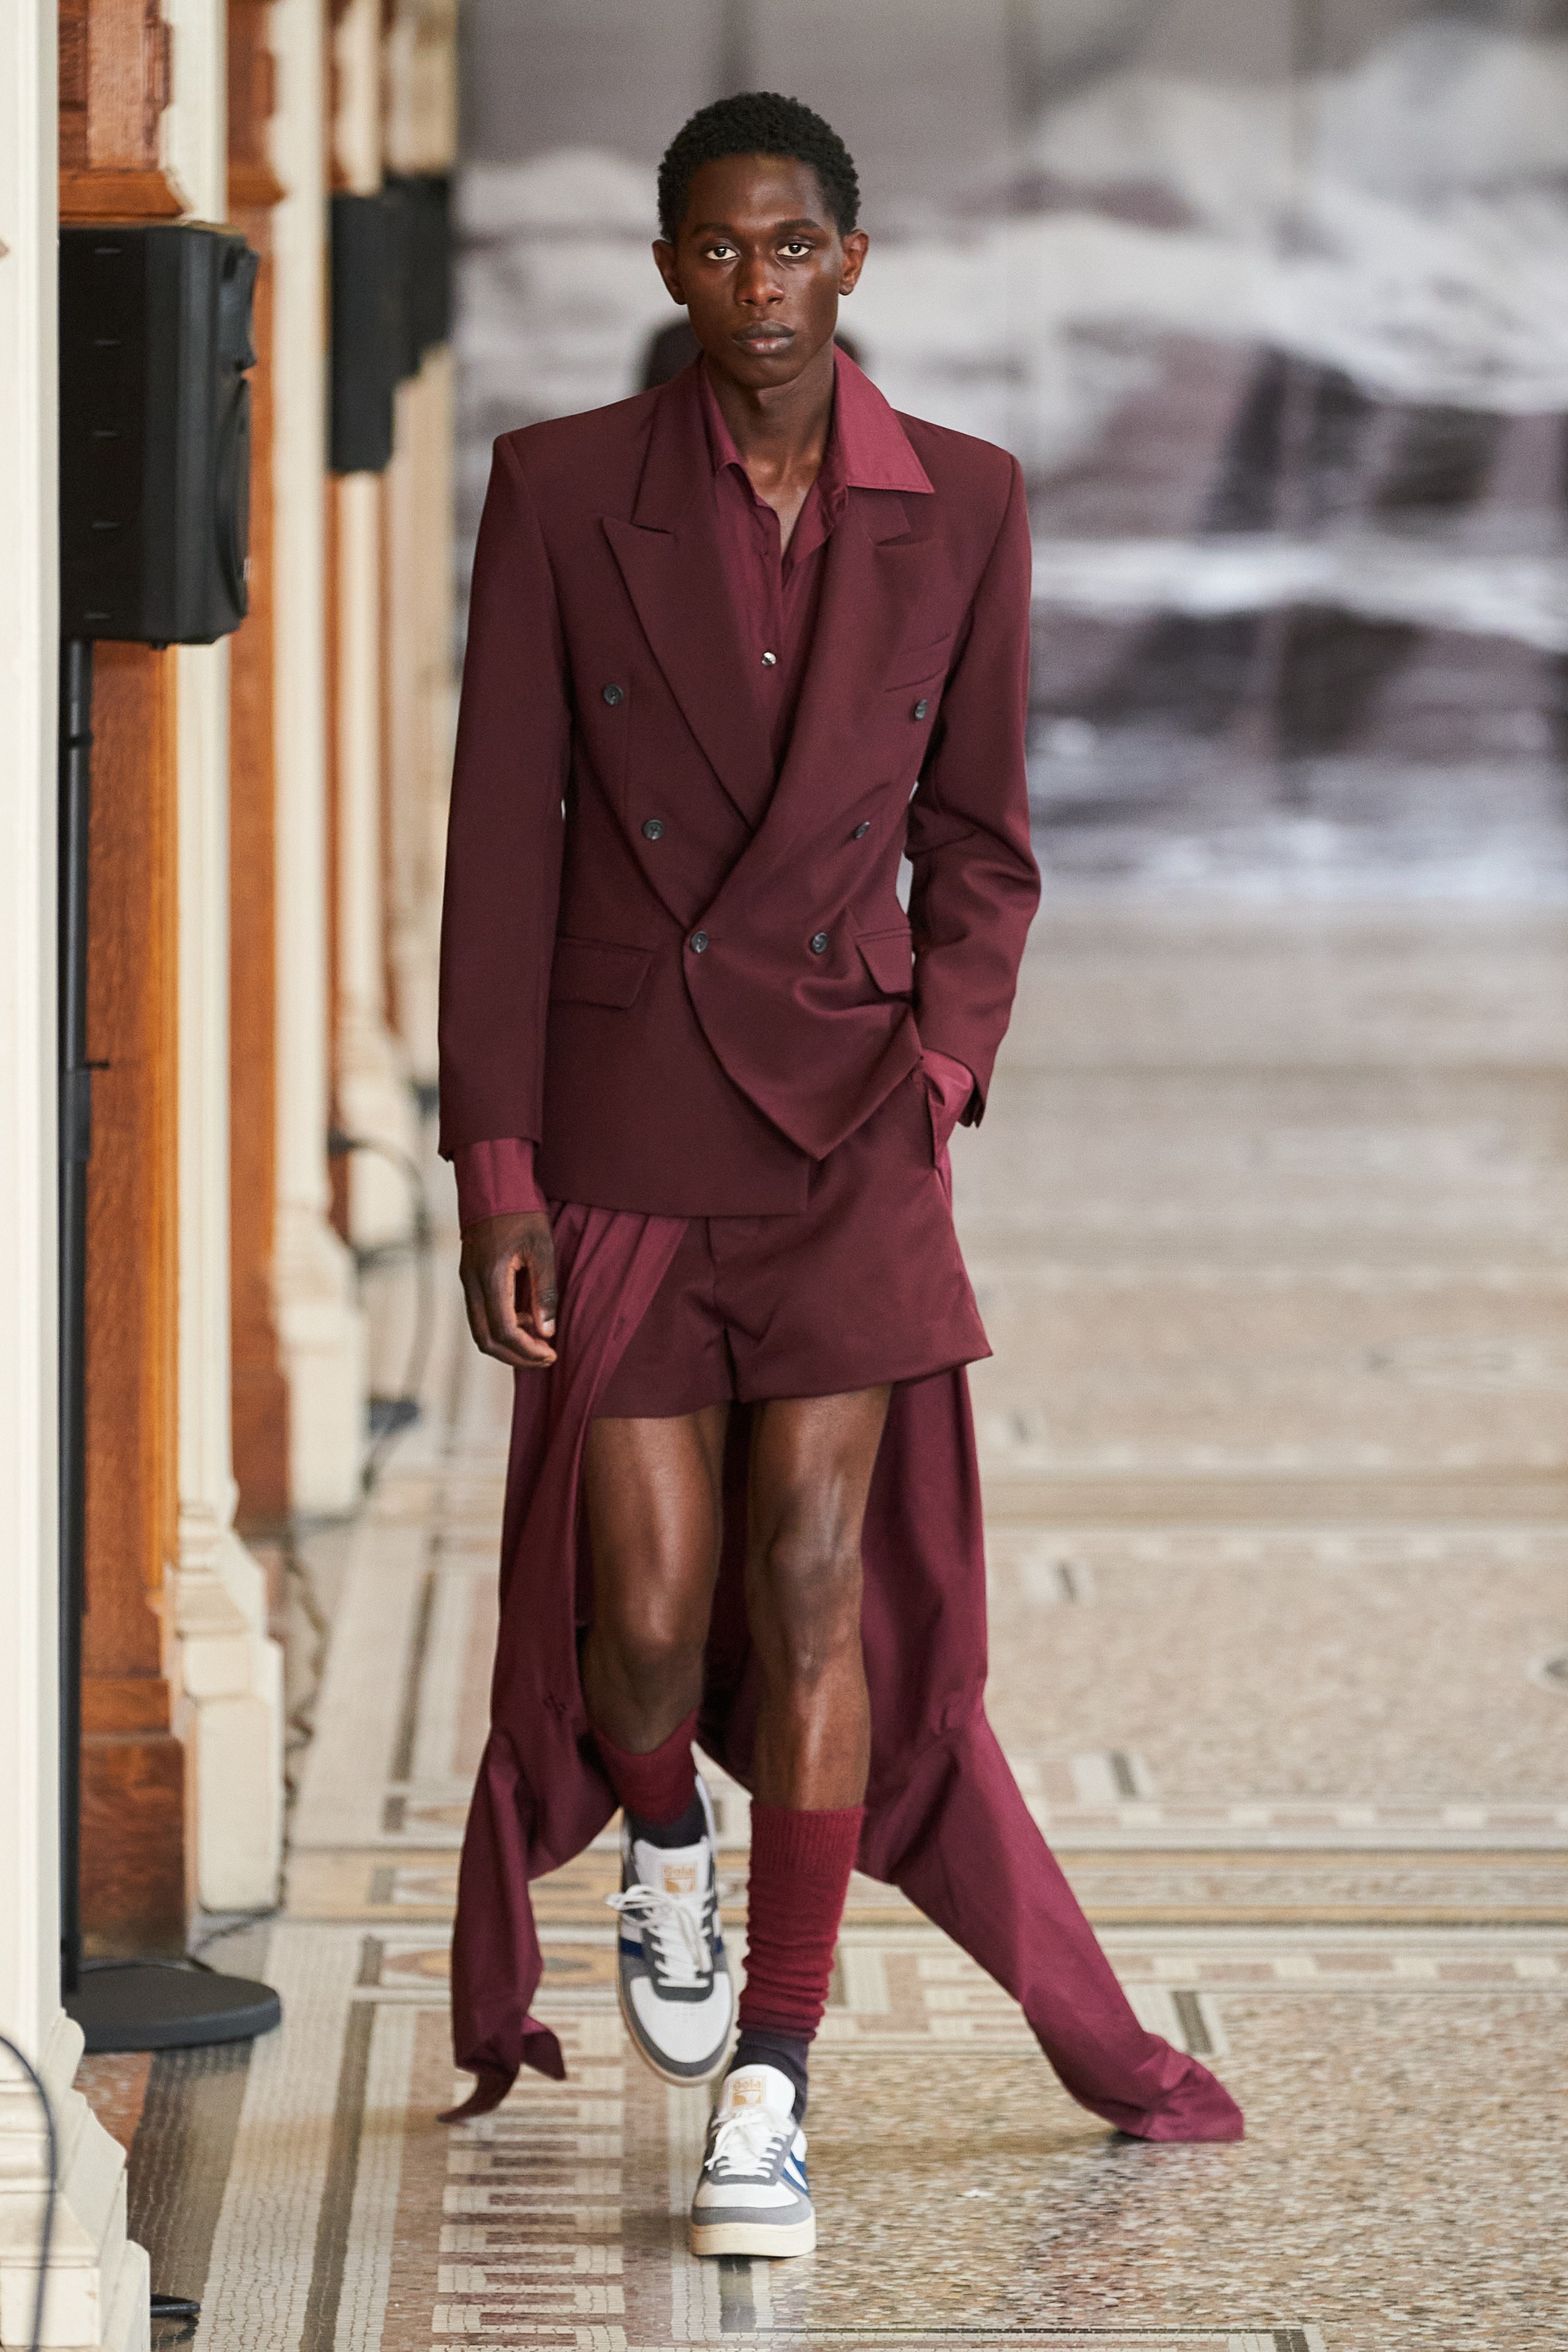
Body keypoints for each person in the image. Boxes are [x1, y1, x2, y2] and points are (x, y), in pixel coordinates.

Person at [439, 89, 1243, 2264]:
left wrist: (946, 1059)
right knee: (644, 1624)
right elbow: (505, 845)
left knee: (812, 1586)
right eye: (717, 251)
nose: (758, 288)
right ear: (672, 270)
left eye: (794, 248)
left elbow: (981, 838)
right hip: (620, 1132)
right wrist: (493, 1162)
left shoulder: (963, 505)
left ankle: (770, 2087)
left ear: (852, 263)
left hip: (854, 1133)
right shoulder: (557, 490)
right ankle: (663, 1832)